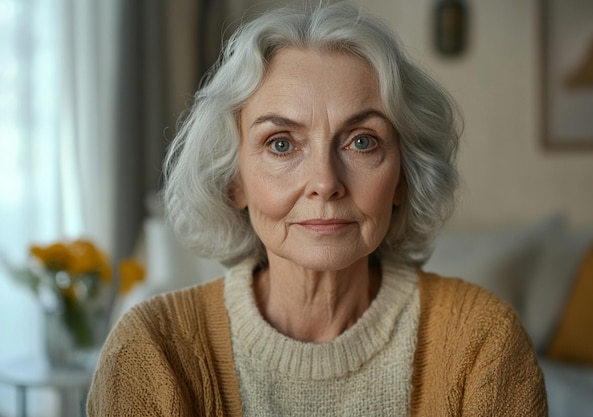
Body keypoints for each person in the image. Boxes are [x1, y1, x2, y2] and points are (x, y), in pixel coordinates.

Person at [87, 2, 547, 416]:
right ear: (234, 181)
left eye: (362, 141)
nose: (325, 183)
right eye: (281, 144)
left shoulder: (483, 340)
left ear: (403, 178)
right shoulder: (151, 350)